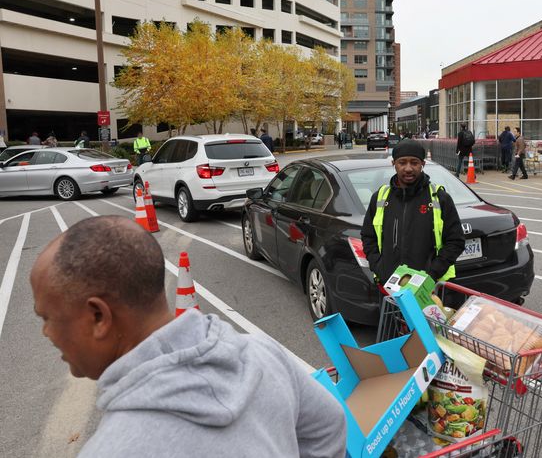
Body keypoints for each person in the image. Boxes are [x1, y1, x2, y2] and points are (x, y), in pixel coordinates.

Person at [29, 216, 346, 458]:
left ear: (99, 317)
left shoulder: (114, 449)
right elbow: (330, 425)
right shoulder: (262, 353)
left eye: (47, 318)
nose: (46, 332)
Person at [361, 140, 465, 285]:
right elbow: (368, 236)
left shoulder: (439, 198)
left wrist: (432, 274)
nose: (408, 168)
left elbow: (456, 241)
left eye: (414, 163)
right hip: (390, 285)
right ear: (394, 164)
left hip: (430, 288)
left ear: (423, 164)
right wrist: (379, 268)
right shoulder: (380, 198)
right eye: (402, 162)